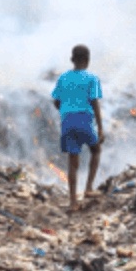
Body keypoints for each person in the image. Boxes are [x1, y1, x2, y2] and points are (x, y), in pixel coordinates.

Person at [51, 44, 105, 212]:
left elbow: (56, 100)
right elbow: (95, 102)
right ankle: (88, 188)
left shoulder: (63, 78)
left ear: (72, 60)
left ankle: (73, 201)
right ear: (88, 60)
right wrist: (101, 128)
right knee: (95, 150)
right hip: (84, 119)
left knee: (73, 162)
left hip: (67, 121)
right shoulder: (92, 78)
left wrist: (65, 110)